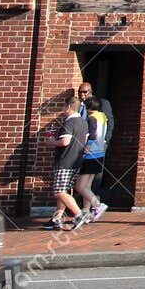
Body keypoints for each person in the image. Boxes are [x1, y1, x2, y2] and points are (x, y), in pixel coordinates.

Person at [48, 97, 90, 231]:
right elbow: (85, 140)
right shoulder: (83, 122)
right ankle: (57, 218)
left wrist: (51, 142)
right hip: (76, 161)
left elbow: (65, 142)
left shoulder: (69, 123)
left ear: (68, 107)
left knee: (59, 191)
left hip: (65, 161)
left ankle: (78, 215)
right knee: (64, 190)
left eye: (63, 107)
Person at [74, 93, 111, 222]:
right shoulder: (102, 117)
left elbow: (92, 135)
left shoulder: (91, 118)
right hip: (99, 153)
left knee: (80, 187)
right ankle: (86, 211)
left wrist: (86, 148)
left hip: (90, 155)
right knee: (87, 186)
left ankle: (97, 205)